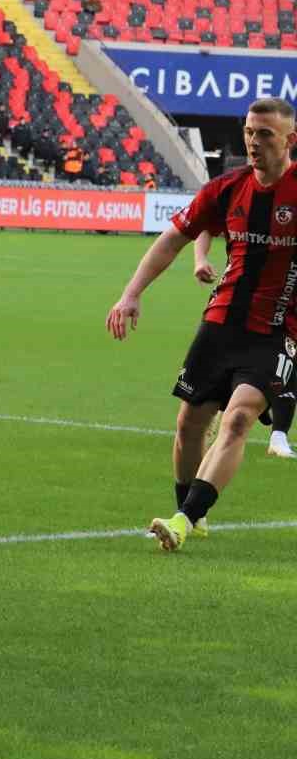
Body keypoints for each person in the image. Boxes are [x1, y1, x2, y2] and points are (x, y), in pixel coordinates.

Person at [107, 98, 297, 551]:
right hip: (221, 323)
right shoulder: (228, 188)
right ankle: (192, 509)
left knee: (237, 421)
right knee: (190, 423)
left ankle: (183, 520)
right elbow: (174, 238)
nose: (253, 141)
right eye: (249, 131)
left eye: (264, 133)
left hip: (276, 332)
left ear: (289, 140)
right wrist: (131, 294)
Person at [189, 200, 297, 458]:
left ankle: (277, 431)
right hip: (243, 305)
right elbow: (203, 224)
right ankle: (268, 422)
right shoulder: (251, 197)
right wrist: (200, 259)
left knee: (287, 358)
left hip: (286, 302)